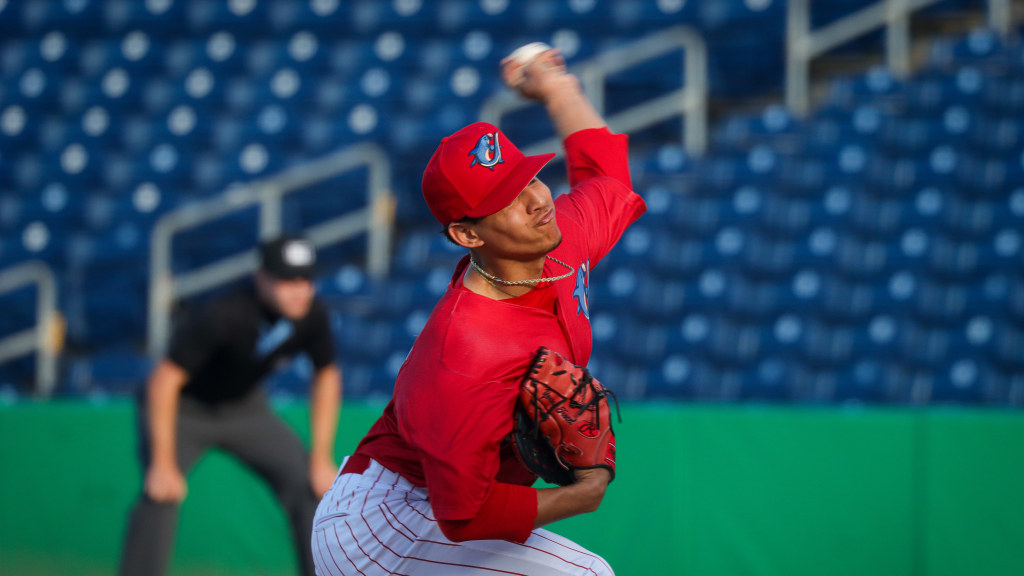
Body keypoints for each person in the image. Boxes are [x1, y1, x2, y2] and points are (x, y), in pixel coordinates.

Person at [311, 46, 645, 575]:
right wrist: (584, 493)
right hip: (381, 526)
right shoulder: (465, 354)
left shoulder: (562, 238)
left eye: (530, 176)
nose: (537, 199)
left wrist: (559, 90)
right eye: (507, 197)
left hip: (433, 507)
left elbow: (608, 176)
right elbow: (465, 517)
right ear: (467, 234)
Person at [119, 235, 342, 576]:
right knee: (162, 492)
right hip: (184, 411)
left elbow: (326, 374)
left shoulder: (312, 314)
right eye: (287, 279)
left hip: (245, 409)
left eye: (306, 279)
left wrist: (321, 457)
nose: (299, 289)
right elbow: (164, 381)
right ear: (261, 278)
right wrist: (162, 462)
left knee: (309, 484)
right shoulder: (225, 314)